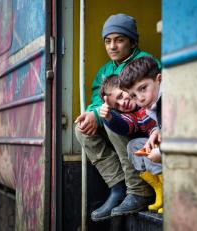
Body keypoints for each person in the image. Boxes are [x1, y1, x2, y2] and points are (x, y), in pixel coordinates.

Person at [74, 13, 160, 221]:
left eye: (119, 40)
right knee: (81, 129)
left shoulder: (144, 61)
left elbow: (145, 99)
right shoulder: (105, 71)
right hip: (125, 122)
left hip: (143, 123)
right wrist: (92, 113)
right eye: (108, 41)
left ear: (132, 42)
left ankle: (138, 189)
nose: (112, 46)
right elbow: (97, 97)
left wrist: (103, 114)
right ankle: (117, 186)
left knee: (110, 118)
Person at [118, 56, 164, 214]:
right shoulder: (153, 106)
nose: (140, 98)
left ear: (159, 79)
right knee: (135, 146)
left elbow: (185, 136)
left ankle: (171, 193)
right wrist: (157, 132)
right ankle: (160, 188)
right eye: (133, 96)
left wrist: (162, 151)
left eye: (143, 88)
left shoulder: (168, 100)